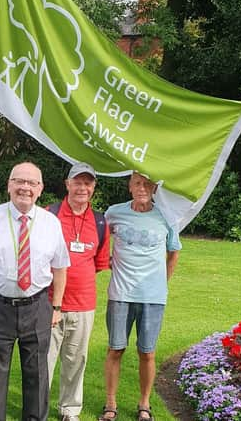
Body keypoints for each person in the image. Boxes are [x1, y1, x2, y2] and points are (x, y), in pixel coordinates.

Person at [0, 161, 70, 421]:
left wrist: (56, 306)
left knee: (37, 374)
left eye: (31, 183)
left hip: (37, 308)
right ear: (9, 185)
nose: (25, 187)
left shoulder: (50, 222)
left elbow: (60, 267)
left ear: (40, 188)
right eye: (19, 181)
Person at [99, 172, 181, 421]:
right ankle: (110, 404)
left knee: (147, 352)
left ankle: (144, 404)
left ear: (155, 188)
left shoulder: (166, 216)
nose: (142, 188)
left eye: (147, 184)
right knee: (116, 349)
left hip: (153, 297)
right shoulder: (113, 213)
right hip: (120, 294)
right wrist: (106, 259)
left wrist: (161, 283)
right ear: (129, 186)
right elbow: (99, 240)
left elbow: (174, 252)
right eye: (137, 183)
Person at [46, 163, 110, 421]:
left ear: (93, 187)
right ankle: (37, 408)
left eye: (88, 183)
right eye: (78, 182)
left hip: (84, 304)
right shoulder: (49, 215)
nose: (82, 187)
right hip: (49, 303)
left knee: (76, 360)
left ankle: (69, 410)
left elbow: (98, 263)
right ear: (67, 184)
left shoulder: (100, 221)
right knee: (44, 361)